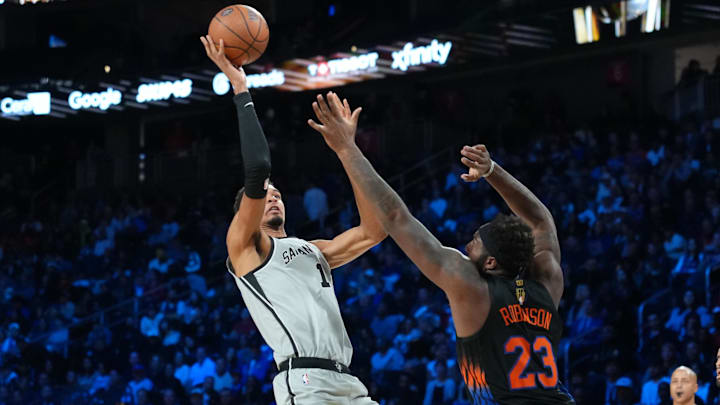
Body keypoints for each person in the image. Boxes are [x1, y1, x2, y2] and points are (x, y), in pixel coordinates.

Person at [308, 92, 575, 404]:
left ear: (490, 263)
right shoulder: (547, 282)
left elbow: (396, 217)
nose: (466, 245)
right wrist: (492, 171)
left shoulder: (471, 287)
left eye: (474, 243)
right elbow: (540, 221)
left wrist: (346, 148)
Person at [200, 35, 386, 405]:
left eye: (278, 193)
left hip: (349, 382)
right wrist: (241, 89)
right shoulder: (245, 248)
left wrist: (347, 151)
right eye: (265, 194)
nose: (273, 195)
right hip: (304, 381)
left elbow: (376, 229)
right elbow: (258, 168)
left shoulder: (313, 250)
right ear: (245, 212)